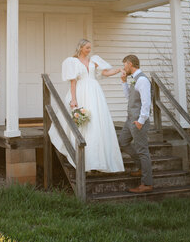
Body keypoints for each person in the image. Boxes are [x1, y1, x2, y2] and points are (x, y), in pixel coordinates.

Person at [48, 39, 125, 173]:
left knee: (96, 120)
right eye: (87, 48)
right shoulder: (73, 62)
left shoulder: (94, 60)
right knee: (83, 122)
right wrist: (73, 99)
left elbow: (105, 73)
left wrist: (118, 70)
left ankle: (98, 160)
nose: (89, 50)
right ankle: (83, 157)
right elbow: (72, 83)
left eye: (90, 48)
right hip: (81, 91)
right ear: (81, 48)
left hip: (95, 92)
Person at [119, 54, 153, 193]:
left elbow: (146, 102)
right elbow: (130, 97)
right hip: (130, 120)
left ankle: (147, 183)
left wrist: (141, 121)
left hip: (138, 121)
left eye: (124, 64)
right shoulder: (134, 79)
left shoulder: (143, 80)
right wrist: (123, 82)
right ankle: (140, 167)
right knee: (123, 142)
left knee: (142, 150)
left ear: (130, 64)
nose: (123, 67)